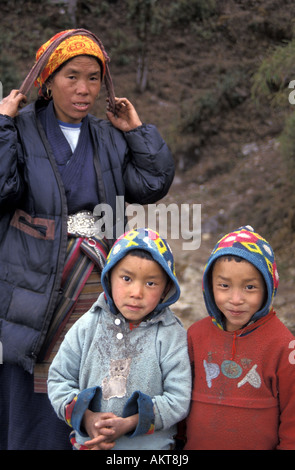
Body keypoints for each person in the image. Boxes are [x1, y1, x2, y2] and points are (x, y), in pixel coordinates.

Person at [0, 29, 175, 450]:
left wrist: (135, 130)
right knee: (30, 379)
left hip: (96, 280)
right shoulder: (20, 130)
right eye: (71, 76)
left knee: (92, 371)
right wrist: (2, 123)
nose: (84, 89)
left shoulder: (108, 134)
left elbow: (151, 183)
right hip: (35, 280)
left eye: (94, 78)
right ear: (46, 80)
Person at [47, 227, 191, 450]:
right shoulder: (88, 325)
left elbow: (179, 399)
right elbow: (58, 379)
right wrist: (87, 418)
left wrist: (130, 423)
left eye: (150, 283)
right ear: (109, 278)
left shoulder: (171, 334)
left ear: (166, 289)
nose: (136, 292)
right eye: (126, 278)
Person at [183, 225, 295, 450]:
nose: (236, 299)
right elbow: (180, 401)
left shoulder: (284, 345)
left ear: (268, 288)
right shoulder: (195, 336)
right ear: (209, 286)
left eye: (250, 287)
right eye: (224, 285)